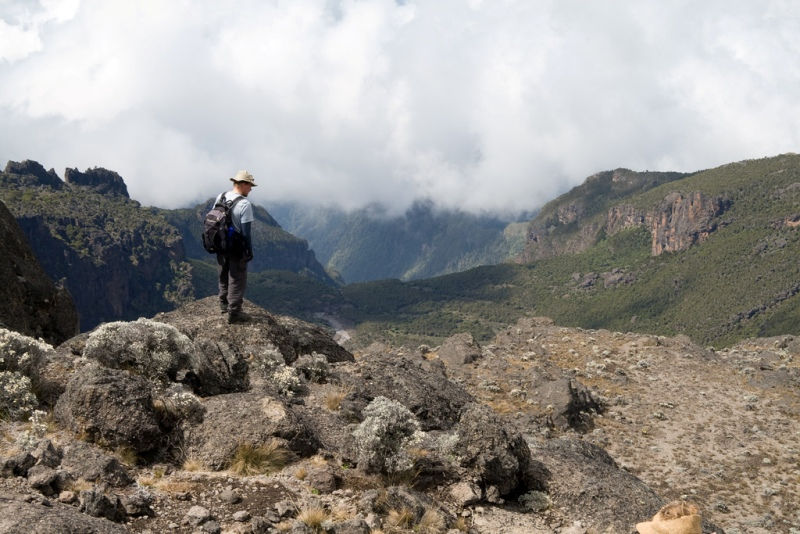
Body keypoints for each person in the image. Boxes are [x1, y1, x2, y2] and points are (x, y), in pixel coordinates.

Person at [216, 170, 256, 323]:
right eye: (250, 186)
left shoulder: (221, 196)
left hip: (220, 243)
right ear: (243, 184)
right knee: (237, 277)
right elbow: (246, 232)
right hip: (236, 246)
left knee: (223, 272)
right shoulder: (245, 204)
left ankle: (223, 303)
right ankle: (234, 313)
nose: (251, 189)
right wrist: (249, 251)